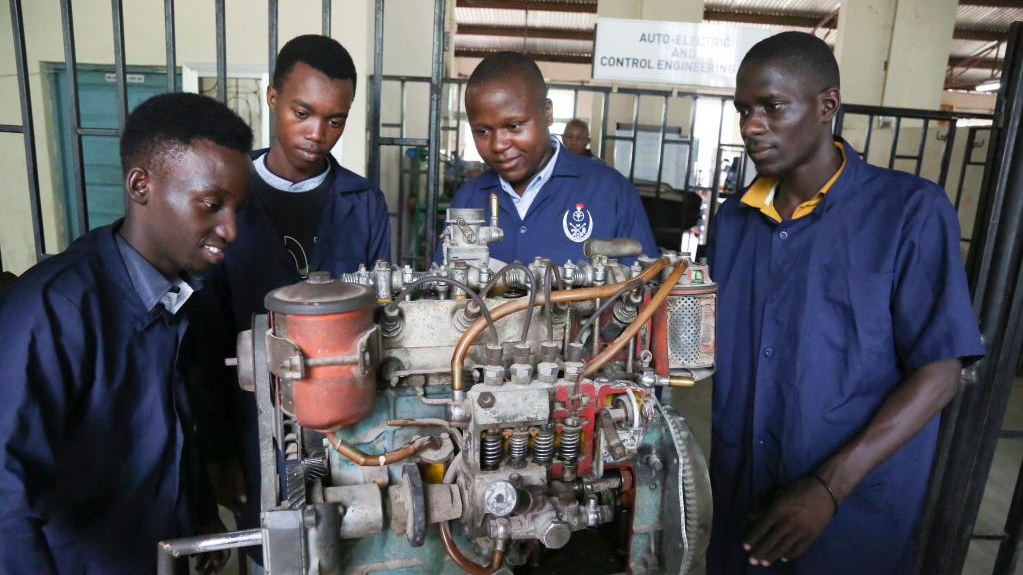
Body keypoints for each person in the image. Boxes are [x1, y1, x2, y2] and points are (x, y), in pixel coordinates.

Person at [707, 32, 985, 574]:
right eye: (744, 110)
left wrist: (828, 487)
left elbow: (940, 372)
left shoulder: (907, 212)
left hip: (848, 517)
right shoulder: (736, 220)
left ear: (827, 106)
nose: (751, 126)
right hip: (744, 505)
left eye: (772, 107)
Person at [0, 92, 253, 575]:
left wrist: (197, 516)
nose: (231, 229)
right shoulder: (51, 312)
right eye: (212, 204)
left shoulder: (183, 294)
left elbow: (173, 426)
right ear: (141, 185)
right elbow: (6, 499)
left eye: (236, 208)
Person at [194, 34, 391, 569]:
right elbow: (209, 340)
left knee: (355, 548)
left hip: (350, 426)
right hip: (254, 428)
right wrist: (219, 455)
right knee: (274, 555)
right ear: (272, 97)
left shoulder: (363, 203)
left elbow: (382, 318)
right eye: (303, 112)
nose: (317, 133)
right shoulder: (226, 195)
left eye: (335, 119)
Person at [440, 51, 657, 266]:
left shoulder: (611, 192)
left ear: (547, 112)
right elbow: (444, 286)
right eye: (482, 131)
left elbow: (647, 288)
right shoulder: (468, 199)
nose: (498, 144)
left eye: (514, 126)